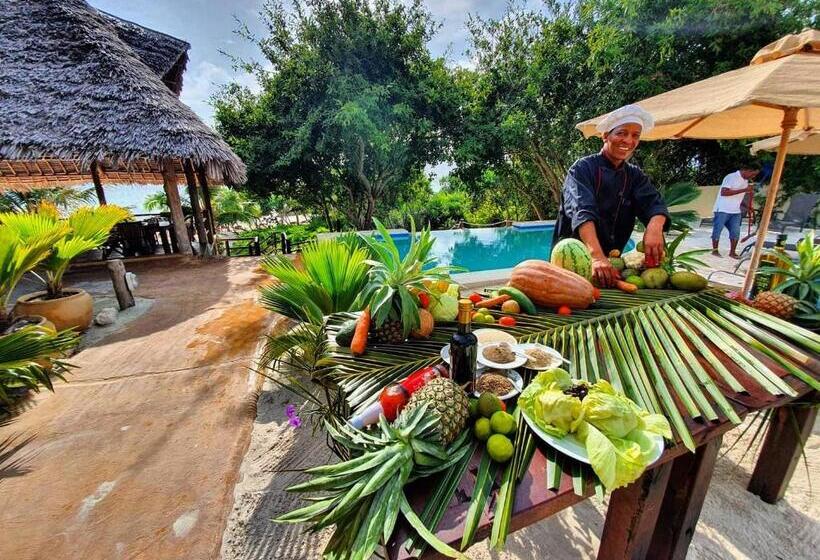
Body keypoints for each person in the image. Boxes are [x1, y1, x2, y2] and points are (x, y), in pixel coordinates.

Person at [554, 104, 670, 287]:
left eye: (635, 135)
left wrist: (655, 227)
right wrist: (596, 256)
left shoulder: (635, 175)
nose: (628, 140)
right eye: (621, 133)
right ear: (605, 135)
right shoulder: (582, 169)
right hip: (573, 262)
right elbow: (582, 211)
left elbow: (654, 203)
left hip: (611, 264)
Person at [711, 163, 760, 258]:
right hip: (722, 209)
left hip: (735, 211)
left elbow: (738, 197)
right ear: (747, 170)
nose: (753, 176)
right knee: (717, 230)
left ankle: (732, 253)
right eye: (753, 174)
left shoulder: (745, 181)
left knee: (736, 232)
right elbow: (724, 192)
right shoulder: (731, 177)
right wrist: (744, 190)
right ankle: (715, 251)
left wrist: (747, 206)